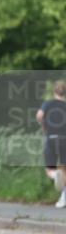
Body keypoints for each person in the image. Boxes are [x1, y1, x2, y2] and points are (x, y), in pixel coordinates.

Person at [37, 79, 66, 209]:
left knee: (49, 168)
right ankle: (63, 198)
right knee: (65, 169)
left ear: (54, 91)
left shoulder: (48, 104)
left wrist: (44, 126)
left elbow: (39, 115)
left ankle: (55, 176)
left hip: (51, 137)